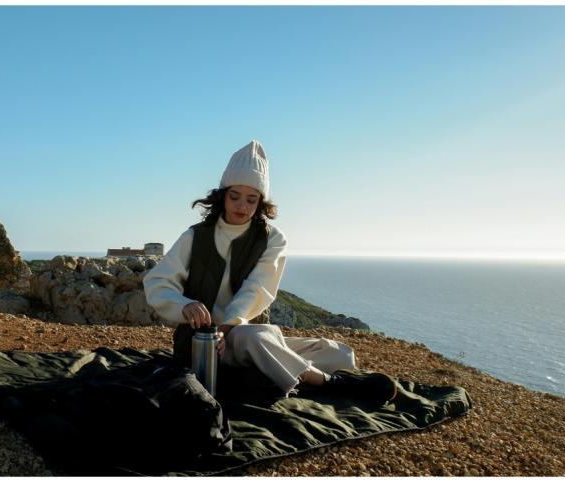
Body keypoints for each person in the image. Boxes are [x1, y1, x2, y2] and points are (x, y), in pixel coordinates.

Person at [143, 140, 396, 402]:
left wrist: (226, 330)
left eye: (251, 199)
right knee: (256, 337)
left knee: (338, 353)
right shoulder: (194, 237)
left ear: (261, 201)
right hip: (202, 345)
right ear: (222, 195)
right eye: (235, 197)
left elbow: (257, 289)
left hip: (243, 335)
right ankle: (327, 382)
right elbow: (158, 282)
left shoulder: (272, 239)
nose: (242, 206)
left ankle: (288, 364)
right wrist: (184, 305)